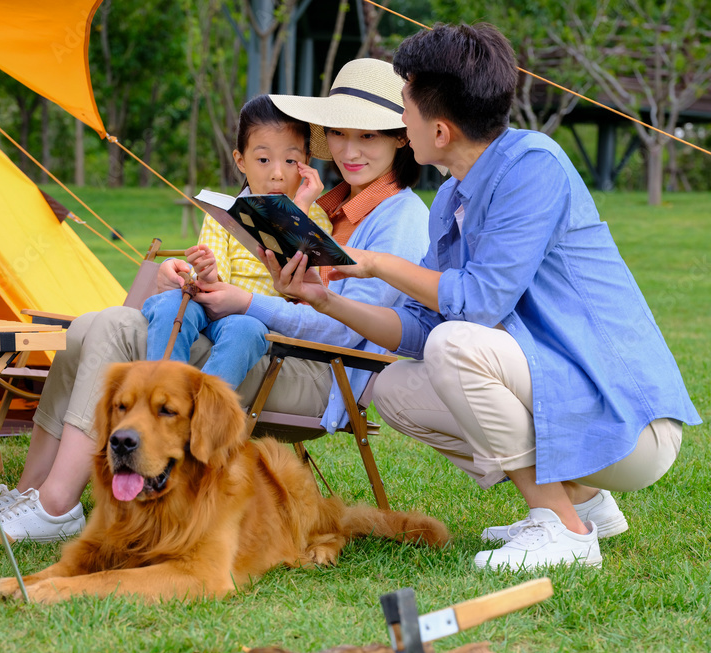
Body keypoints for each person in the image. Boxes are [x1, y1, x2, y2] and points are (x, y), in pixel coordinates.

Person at [258, 24, 701, 571]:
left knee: (456, 344)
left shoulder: (534, 165)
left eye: (405, 108)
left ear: (438, 130)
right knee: (393, 385)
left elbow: (480, 302)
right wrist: (325, 300)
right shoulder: (451, 199)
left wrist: (374, 263)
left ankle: (563, 533)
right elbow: (418, 327)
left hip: (628, 424)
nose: (401, 120)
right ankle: (583, 504)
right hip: (562, 400)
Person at [0, 58, 431, 544]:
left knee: (116, 328)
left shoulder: (399, 217)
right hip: (278, 350)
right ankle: (33, 491)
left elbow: (350, 330)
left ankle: (56, 507)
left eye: (368, 136)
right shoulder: (335, 204)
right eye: (342, 134)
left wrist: (246, 304)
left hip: (317, 372)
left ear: (400, 137)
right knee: (85, 329)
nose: (350, 149)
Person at [142, 96, 331, 388]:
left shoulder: (316, 216)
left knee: (245, 329)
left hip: (255, 316)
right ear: (241, 161)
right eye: (263, 159)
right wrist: (206, 272)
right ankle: (163, 397)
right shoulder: (225, 212)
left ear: (307, 163)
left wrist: (300, 212)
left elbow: (305, 286)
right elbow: (214, 280)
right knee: (169, 304)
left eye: (291, 160)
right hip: (211, 302)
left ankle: (206, 415)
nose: (277, 173)